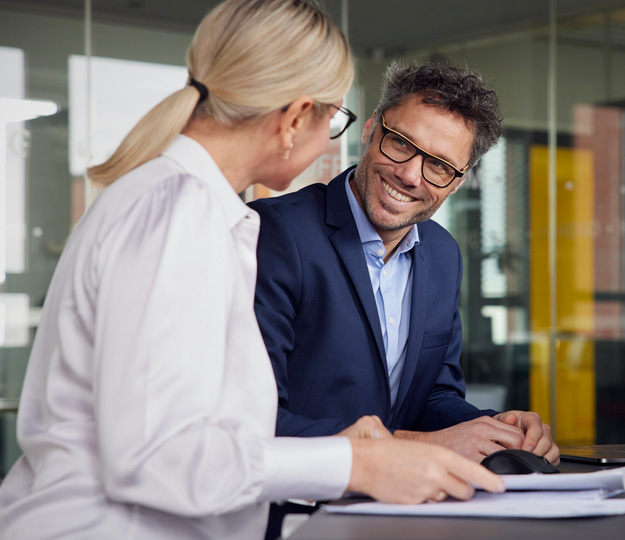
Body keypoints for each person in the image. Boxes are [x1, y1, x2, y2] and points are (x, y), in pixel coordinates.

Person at [0, 2, 502, 539]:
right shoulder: (177, 210)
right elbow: (154, 457)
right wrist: (359, 462)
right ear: (293, 119)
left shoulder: (196, 207)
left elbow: (205, 431)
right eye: (334, 119)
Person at [251, 63, 560, 465]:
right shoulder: (273, 233)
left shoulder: (443, 253)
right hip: (301, 510)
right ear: (371, 128)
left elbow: (433, 396)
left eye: (439, 166)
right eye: (400, 143)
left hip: (405, 507)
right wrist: (418, 446)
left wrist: (499, 430)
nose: (411, 176)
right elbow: (254, 420)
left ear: (459, 180)